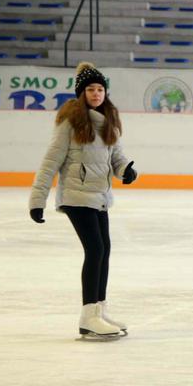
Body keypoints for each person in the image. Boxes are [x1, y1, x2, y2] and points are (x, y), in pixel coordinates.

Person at [29, 62, 138, 340]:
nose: (96, 93)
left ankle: (98, 311)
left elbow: (116, 157)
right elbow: (51, 161)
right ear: (81, 92)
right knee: (95, 249)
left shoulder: (109, 121)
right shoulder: (71, 121)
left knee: (104, 251)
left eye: (100, 89)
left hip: (100, 197)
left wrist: (126, 170)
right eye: (90, 89)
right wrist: (37, 199)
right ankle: (88, 317)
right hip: (77, 197)